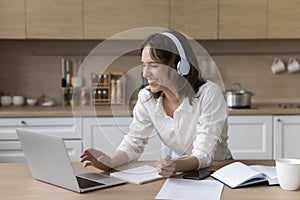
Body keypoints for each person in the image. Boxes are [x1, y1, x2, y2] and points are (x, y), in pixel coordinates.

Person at [80, 30, 232, 178]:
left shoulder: (209, 94)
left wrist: (175, 165)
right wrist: (111, 162)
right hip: (185, 174)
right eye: (143, 65)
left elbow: (204, 155)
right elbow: (134, 142)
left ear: (179, 65)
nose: (145, 73)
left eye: (153, 65)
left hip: (219, 172)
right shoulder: (146, 98)